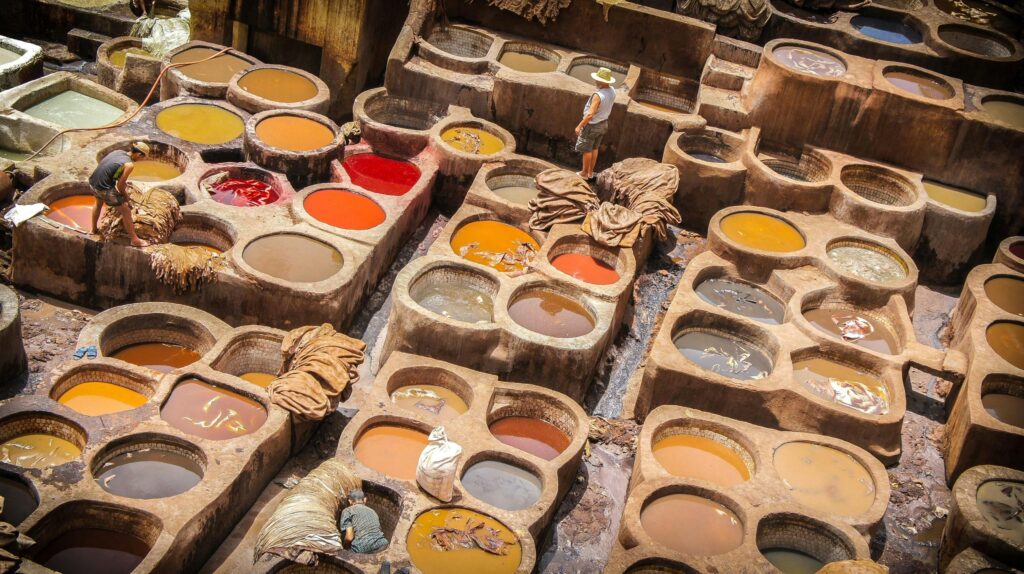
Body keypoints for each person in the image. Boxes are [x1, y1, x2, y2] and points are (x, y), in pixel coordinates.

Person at [89, 142, 151, 247]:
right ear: (139, 155)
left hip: (93, 183)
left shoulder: (118, 152)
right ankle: (135, 240)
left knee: (98, 203)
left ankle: (93, 229)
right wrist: (126, 197)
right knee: (125, 210)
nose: (141, 160)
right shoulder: (129, 165)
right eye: (143, 158)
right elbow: (120, 186)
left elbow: (115, 173)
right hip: (104, 188)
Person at [574, 67, 617, 181]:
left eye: (598, 80)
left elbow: (590, 115)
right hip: (603, 124)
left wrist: (579, 126)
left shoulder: (598, 96)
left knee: (587, 149)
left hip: (592, 126)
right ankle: (590, 172)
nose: (596, 82)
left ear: (602, 81)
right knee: (595, 148)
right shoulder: (612, 90)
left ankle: (584, 173)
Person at [339, 489, 388, 554]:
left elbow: (349, 537)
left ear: (350, 501)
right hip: (382, 545)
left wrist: (345, 549)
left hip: (361, 548)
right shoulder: (373, 511)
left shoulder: (348, 511)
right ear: (365, 499)